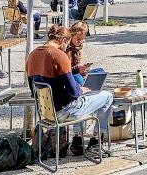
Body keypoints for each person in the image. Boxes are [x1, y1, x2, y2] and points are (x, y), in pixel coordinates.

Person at [26, 24, 112, 157]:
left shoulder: (32, 56)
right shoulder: (59, 56)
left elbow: (34, 90)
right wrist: (82, 90)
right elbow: (74, 92)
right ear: (64, 40)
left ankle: (78, 140)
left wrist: (75, 71)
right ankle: (95, 142)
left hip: (45, 112)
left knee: (86, 97)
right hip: (65, 111)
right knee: (107, 96)